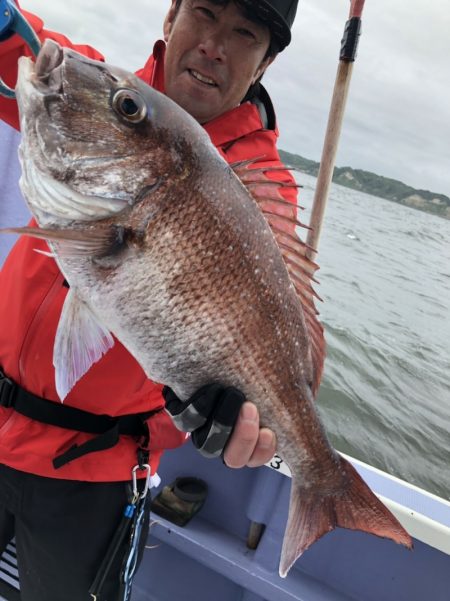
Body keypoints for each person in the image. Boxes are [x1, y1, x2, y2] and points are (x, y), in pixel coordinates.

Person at [0, 1, 299, 599]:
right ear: (171, 18)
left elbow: (271, 334)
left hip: (94, 469)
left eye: (244, 34)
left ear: (264, 62)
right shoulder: (97, 98)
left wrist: (231, 411)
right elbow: (25, 51)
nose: (215, 44)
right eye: (206, 13)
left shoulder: (263, 192)